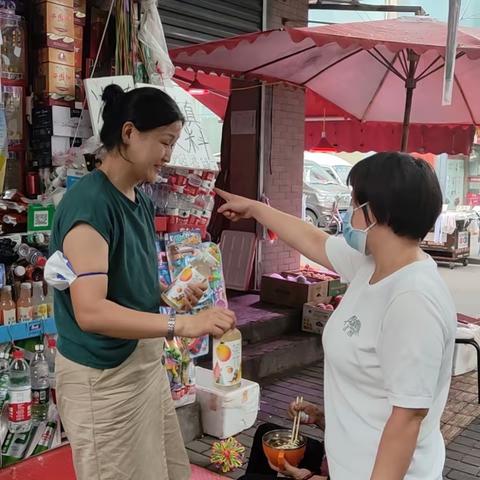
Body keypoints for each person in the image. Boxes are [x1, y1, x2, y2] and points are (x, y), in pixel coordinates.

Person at [216, 152, 456, 480]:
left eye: (353, 203)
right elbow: (313, 239)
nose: (347, 213)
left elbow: (408, 417)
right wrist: (256, 209)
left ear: (376, 213)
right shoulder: (371, 266)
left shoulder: (413, 298)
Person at [50, 85, 236, 480]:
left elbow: (128, 283)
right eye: (164, 142)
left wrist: (168, 295)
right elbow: (91, 311)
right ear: (130, 133)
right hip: (103, 378)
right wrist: (179, 324)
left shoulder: (139, 199)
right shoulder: (90, 204)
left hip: (143, 367)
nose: (169, 155)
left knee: (162, 469)